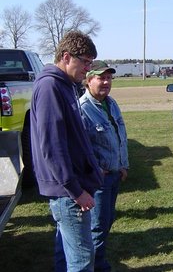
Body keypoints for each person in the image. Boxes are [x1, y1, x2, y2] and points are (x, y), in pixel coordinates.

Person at [30, 30, 103, 272]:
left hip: (71, 188)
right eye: (85, 62)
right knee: (81, 261)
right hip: (69, 193)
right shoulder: (50, 86)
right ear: (66, 56)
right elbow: (52, 146)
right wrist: (75, 190)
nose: (87, 68)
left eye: (90, 63)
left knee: (68, 255)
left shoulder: (65, 86)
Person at [79, 61, 129, 272]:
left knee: (106, 221)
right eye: (101, 78)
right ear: (89, 80)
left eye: (109, 78)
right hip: (97, 180)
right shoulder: (83, 108)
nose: (106, 82)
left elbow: (121, 137)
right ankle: (97, 267)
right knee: (97, 227)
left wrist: (123, 165)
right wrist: (94, 170)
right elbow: (79, 147)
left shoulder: (112, 103)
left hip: (114, 175)